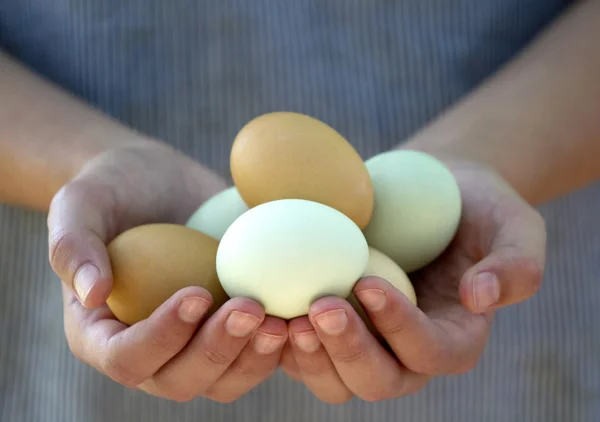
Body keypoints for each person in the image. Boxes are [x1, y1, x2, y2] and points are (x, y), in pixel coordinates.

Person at [1, 0, 599, 421]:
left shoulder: (345, 223)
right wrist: (81, 160)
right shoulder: (281, 232)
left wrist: (481, 158)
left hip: (514, 328)